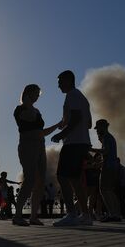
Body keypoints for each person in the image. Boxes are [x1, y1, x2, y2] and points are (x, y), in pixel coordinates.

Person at [12, 84, 60, 226]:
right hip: (28, 145)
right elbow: (29, 119)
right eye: (36, 93)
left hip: (40, 145)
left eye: (39, 94)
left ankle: (33, 216)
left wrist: (57, 125)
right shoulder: (20, 109)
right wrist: (27, 103)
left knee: (40, 181)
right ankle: (18, 215)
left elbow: (42, 131)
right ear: (28, 93)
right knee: (29, 179)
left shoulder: (37, 111)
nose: (38, 96)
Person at [51, 70, 93, 227]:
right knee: (75, 180)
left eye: (60, 81)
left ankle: (72, 214)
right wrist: (65, 122)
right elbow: (88, 123)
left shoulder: (72, 95)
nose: (59, 85)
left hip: (73, 143)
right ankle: (86, 215)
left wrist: (62, 134)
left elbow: (76, 118)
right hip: (83, 142)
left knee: (62, 176)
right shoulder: (82, 97)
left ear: (69, 80)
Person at [90, 119, 121, 222]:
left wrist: (91, 149)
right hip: (111, 167)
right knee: (109, 191)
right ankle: (116, 214)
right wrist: (98, 164)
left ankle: (113, 214)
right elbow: (108, 155)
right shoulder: (109, 138)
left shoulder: (107, 137)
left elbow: (106, 151)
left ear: (103, 127)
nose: (97, 130)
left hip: (108, 167)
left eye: (98, 128)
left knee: (104, 190)